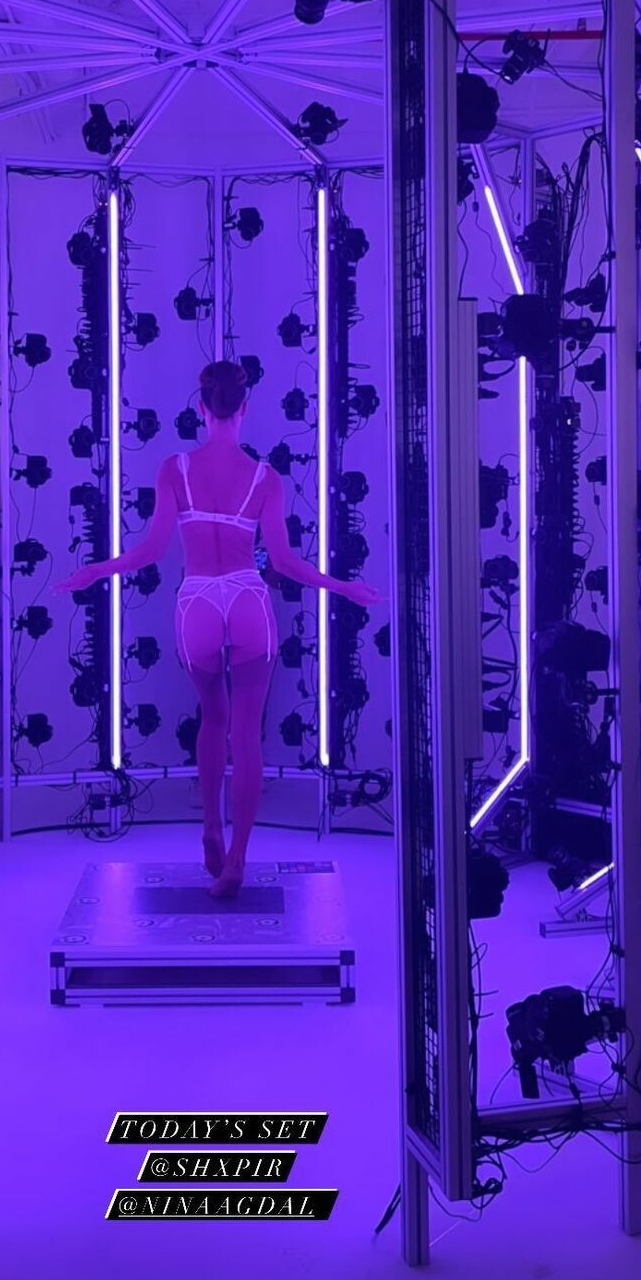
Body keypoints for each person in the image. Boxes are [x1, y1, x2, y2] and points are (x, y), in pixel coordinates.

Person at [56, 360, 381, 896]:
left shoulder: (174, 469)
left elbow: (152, 550)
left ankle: (211, 823)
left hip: (198, 602)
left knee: (213, 718)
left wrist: (95, 570)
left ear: (201, 409)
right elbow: (286, 562)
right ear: (244, 408)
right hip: (248, 596)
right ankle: (236, 860)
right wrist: (344, 587)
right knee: (247, 733)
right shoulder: (265, 477)